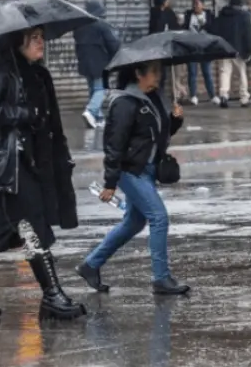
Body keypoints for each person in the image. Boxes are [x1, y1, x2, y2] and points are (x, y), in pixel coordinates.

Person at [0, 28, 84, 322]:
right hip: (8, 165)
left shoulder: (38, 74)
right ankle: (52, 295)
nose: (41, 41)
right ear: (16, 40)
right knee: (32, 224)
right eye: (34, 36)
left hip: (32, 163)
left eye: (41, 35)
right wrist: (23, 113)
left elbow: (49, 121)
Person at [77, 61, 190, 296]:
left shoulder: (153, 98)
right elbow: (114, 146)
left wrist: (175, 120)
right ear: (138, 73)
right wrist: (110, 182)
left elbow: (158, 135)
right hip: (130, 171)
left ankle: (90, 265)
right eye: (154, 72)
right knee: (159, 218)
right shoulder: (125, 102)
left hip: (147, 170)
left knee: (134, 223)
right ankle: (161, 278)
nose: (158, 77)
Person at [74, 1, 120, 130]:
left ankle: (98, 118)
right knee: (101, 89)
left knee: (93, 90)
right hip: (100, 63)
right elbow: (113, 44)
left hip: (84, 63)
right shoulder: (102, 25)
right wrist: (117, 58)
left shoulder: (79, 27)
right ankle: (90, 110)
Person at [213, 0, 251, 108]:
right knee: (241, 73)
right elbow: (248, 35)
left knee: (224, 72)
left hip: (224, 49)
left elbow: (216, 31)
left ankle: (224, 95)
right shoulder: (244, 16)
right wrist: (249, 50)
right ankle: (244, 98)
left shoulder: (222, 15)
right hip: (239, 50)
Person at [149, 0, 186, 101]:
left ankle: (162, 95)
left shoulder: (169, 12)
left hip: (167, 47)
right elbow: (154, 29)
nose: (169, 2)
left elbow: (175, 28)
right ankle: (155, 95)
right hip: (156, 47)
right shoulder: (155, 12)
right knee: (157, 73)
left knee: (164, 74)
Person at [182, 0, 219, 106]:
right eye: (194, 4)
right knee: (192, 73)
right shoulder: (188, 15)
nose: (195, 6)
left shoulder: (209, 16)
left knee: (207, 72)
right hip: (192, 48)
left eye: (198, 4)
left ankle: (212, 96)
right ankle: (193, 96)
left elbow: (214, 29)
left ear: (203, 5)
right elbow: (183, 29)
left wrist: (205, 25)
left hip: (205, 48)